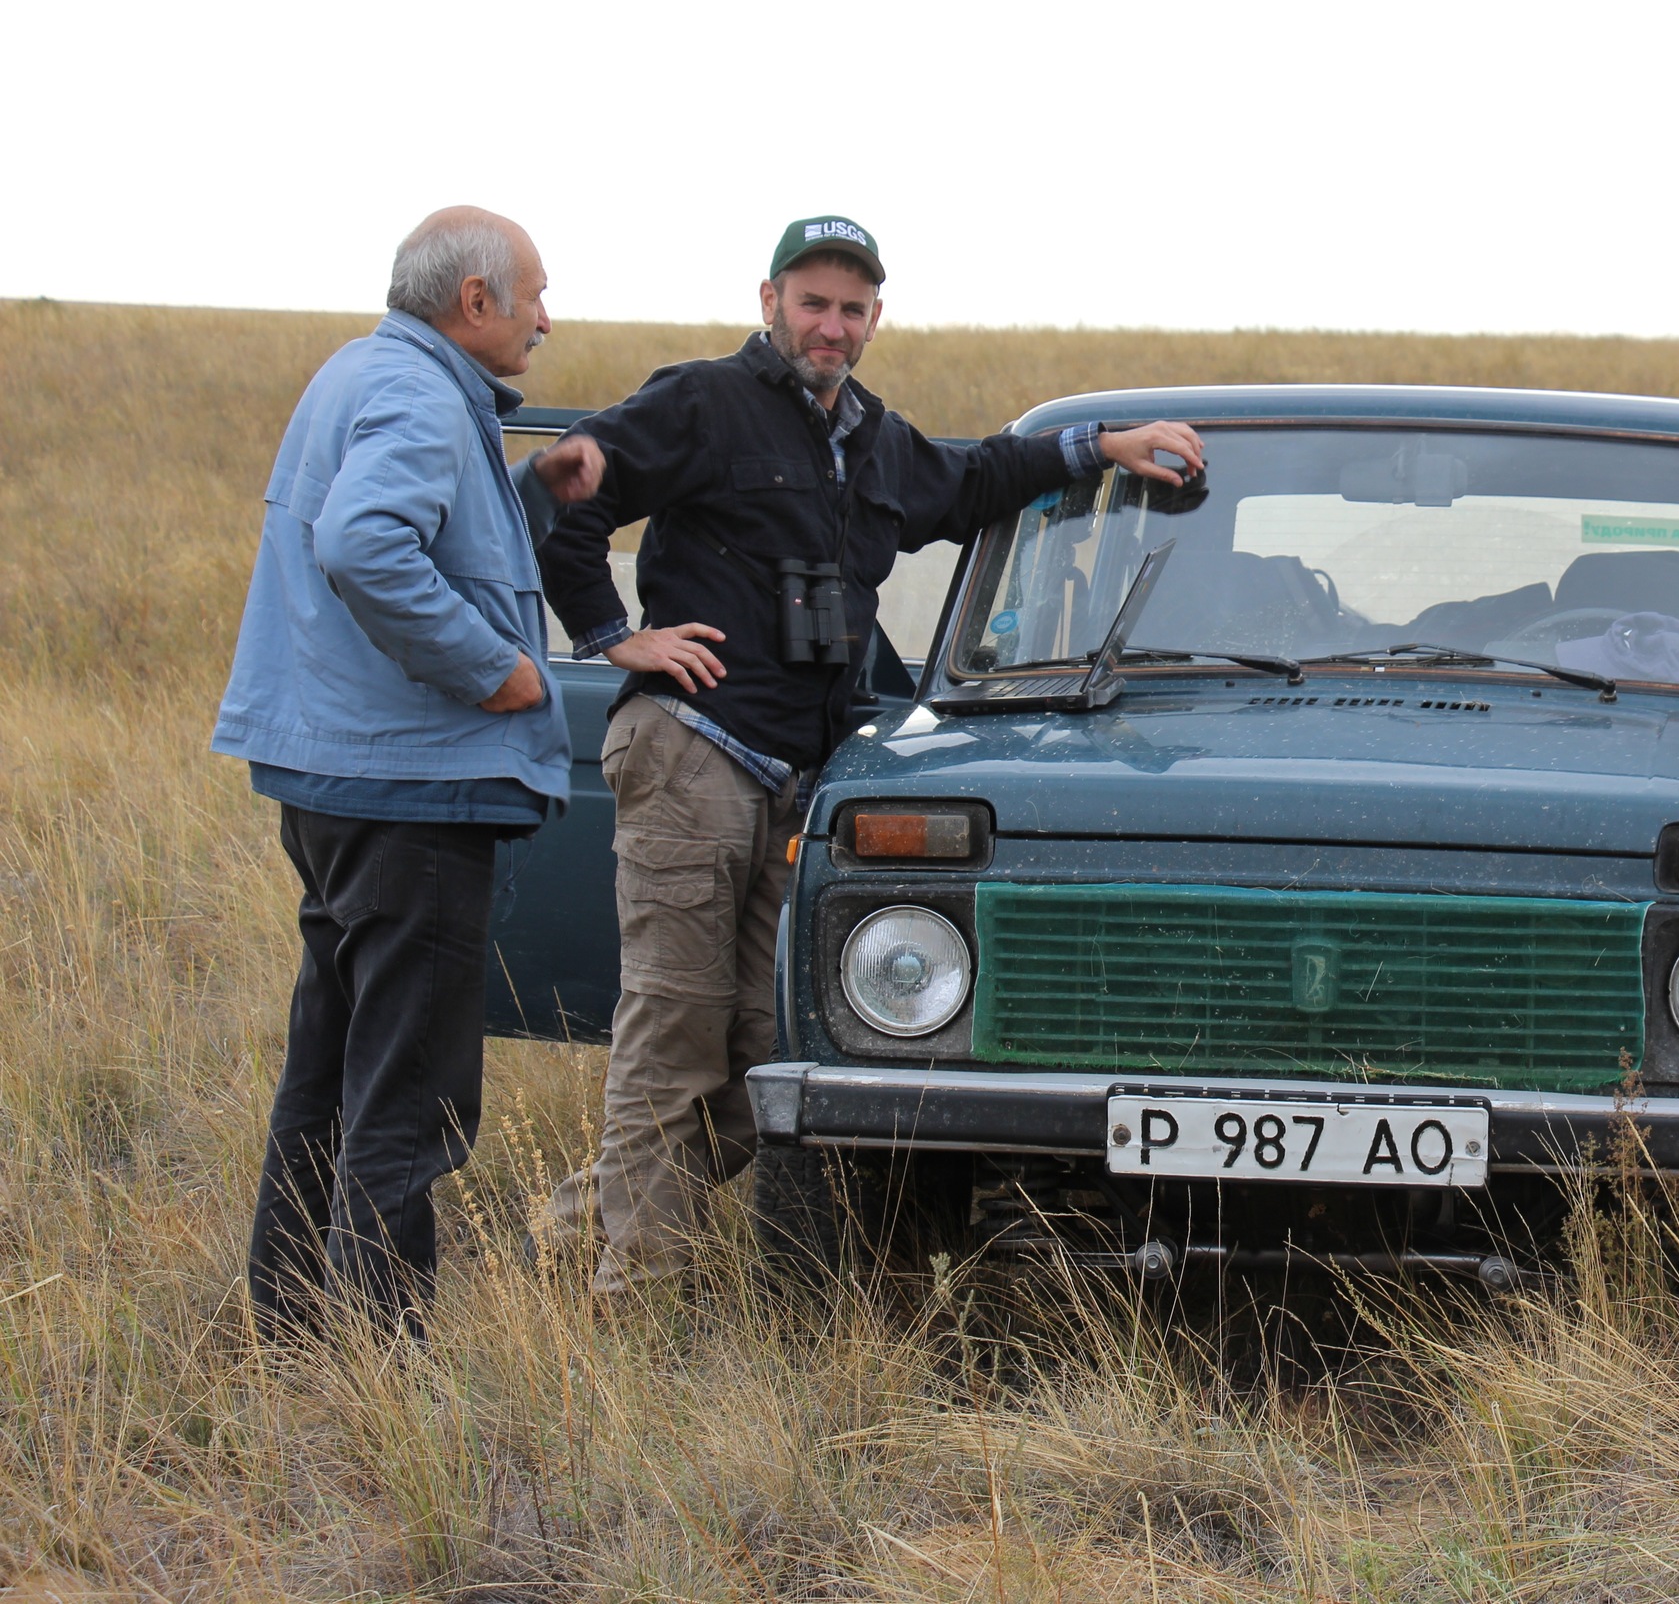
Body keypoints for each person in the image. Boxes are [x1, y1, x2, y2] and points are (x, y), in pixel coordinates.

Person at [530, 214, 1206, 1294]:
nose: (830, 326)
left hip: (797, 781)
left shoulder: (877, 441)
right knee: (673, 1033)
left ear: (875, 319)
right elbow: (571, 491)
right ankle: (633, 1295)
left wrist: (1101, 447)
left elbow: (979, 475)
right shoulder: (700, 400)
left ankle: (574, 1228)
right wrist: (614, 636)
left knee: (781, 1049)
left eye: (851, 308)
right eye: (812, 302)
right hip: (692, 751)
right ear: (768, 302)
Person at [213, 207, 605, 1341]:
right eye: (533, 292)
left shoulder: (367, 372)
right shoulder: (424, 397)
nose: (547, 314)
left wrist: (532, 494)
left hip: (338, 777)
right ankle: (386, 1362)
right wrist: (495, 673)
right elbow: (364, 542)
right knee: (411, 1088)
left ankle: (290, 1327)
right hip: (411, 787)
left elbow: (426, 535)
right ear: (472, 301)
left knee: (331, 1067)